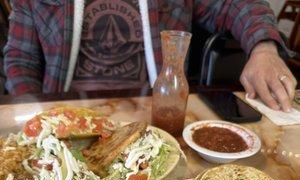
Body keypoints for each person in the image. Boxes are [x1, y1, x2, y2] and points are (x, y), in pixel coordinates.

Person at [4, 0, 297, 112]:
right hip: (67, 116)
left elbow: (235, 5)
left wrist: (264, 48)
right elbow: (20, 60)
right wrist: (36, 115)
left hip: (156, 117)